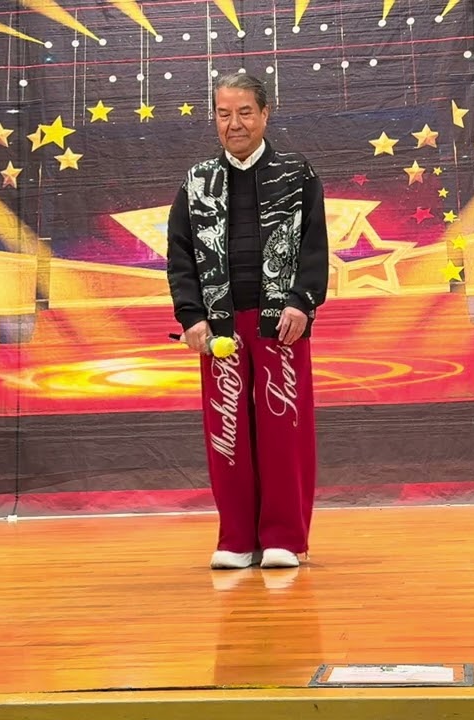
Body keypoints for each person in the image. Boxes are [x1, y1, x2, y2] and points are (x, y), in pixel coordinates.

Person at [165, 73, 329, 570]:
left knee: (283, 433)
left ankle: (284, 537)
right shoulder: (197, 182)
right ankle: (236, 538)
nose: (233, 124)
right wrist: (191, 315)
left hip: (282, 323)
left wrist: (301, 301)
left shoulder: (296, 174)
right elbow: (179, 256)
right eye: (223, 114)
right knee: (228, 433)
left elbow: (315, 247)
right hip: (220, 329)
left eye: (244, 113)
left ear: (264, 114)